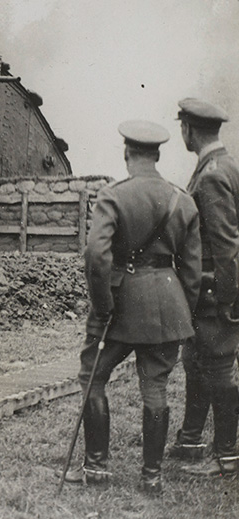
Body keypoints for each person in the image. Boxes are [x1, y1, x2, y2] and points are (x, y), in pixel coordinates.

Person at [67, 120, 201, 494]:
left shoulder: (114, 195)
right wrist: (181, 313)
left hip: (120, 305)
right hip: (168, 304)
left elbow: (96, 256)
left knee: (93, 377)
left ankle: (96, 468)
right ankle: (152, 476)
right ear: (157, 155)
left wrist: (102, 305)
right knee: (155, 387)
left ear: (127, 153)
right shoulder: (182, 199)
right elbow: (191, 271)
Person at [169, 98, 239, 477]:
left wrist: (229, 297)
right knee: (195, 362)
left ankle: (226, 455)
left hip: (214, 290)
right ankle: (192, 438)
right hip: (207, 288)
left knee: (217, 367)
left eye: (183, 128)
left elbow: (225, 243)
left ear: (189, 130)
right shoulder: (224, 166)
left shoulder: (212, 175)